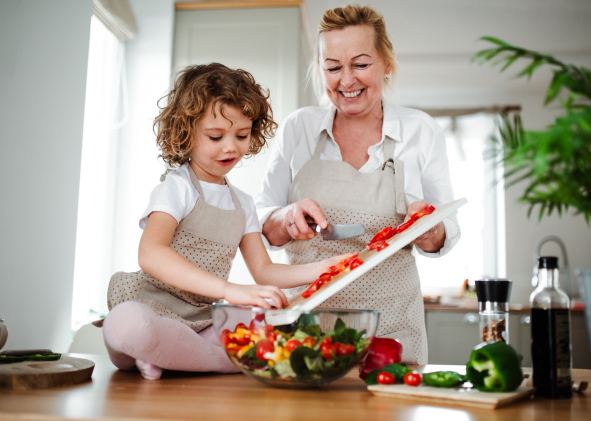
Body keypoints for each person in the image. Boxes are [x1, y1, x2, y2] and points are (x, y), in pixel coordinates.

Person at [100, 63, 353, 380]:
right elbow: (150, 254)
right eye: (216, 136)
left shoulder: (243, 204)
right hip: (150, 308)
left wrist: (322, 269)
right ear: (186, 131)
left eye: (242, 135)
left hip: (202, 321)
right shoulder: (176, 188)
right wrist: (229, 290)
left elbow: (264, 271)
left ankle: (169, 355)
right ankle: (193, 356)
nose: (231, 146)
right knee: (125, 324)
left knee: (267, 323)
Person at [256, 5, 460, 364]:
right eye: (333, 67)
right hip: (306, 333)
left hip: (392, 331)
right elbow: (263, 226)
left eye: (360, 64)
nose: (346, 80)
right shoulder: (298, 129)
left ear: (386, 64)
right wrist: (286, 217)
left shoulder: (420, 131)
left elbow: (446, 230)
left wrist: (428, 227)